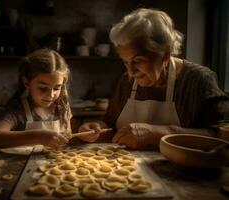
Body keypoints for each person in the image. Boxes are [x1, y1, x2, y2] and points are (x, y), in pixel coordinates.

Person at [78, 8, 229, 149]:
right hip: (130, 170)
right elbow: (110, 125)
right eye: (125, 62)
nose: (131, 71)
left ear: (165, 55)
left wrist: (158, 133)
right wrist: (97, 128)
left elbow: (220, 136)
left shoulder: (198, 80)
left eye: (138, 60)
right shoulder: (127, 81)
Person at [0, 49, 72, 149]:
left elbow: (68, 138)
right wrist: (38, 137)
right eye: (43, 88)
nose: (51, 95)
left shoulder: (62, 106)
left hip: (55, 162)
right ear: (26, 82)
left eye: (57, 88)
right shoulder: (18, 109)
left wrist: (85, 135)